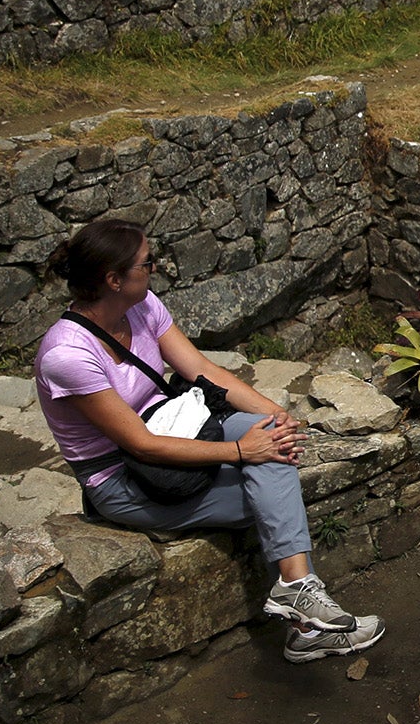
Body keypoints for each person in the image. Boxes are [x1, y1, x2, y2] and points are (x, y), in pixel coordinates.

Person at [32, 219, 384, 663]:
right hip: (124, 477)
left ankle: (296, 593)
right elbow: (140, 445)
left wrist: (275, 415)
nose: (155, 269)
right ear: (113, 279)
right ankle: (304, 622)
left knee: (273, 440)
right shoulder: (68, 355)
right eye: (147, 263)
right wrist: (241, 451)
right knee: (269, 495)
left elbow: (203, 370)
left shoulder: (139, 306)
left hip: (176, 426)